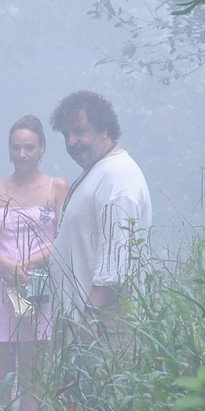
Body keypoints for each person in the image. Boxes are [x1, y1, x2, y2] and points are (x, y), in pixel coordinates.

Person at [0, 115, 68, 411]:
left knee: (32, 381)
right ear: (9, 150)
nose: (22, 154)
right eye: (16, 147)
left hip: (38, 288)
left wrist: (27, 263)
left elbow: (64, 238)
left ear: (42, 148)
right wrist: (6, 265)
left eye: (29, 147)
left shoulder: (57, 187)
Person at [48, 91, 152, 332]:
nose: (71, 142)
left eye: (79, 131)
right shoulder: (100, 170)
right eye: (66, 135)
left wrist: (90, 317)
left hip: (103, 325)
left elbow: (117, 257)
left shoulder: (118, 176)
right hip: (81, 320)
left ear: (104, 129)